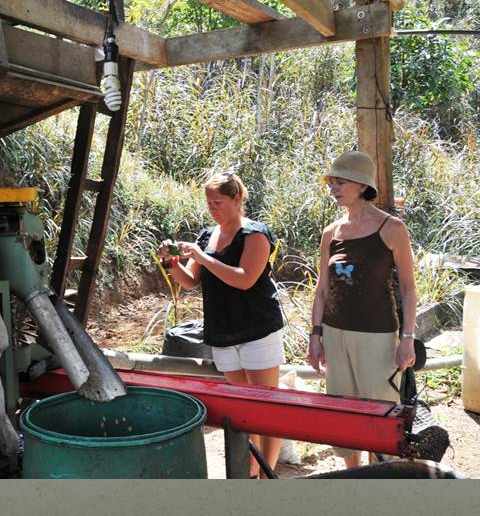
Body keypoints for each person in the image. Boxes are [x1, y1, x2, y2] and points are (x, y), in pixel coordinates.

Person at [159, 172, 285, 478]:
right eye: (209, 203)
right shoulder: (206, 236)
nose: (213, 209)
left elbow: (245, 279)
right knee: (245, 409)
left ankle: (268, 476)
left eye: (218, 203)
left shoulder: (254, 234)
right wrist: (170, 262)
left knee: (267, 407)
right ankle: (251, 472)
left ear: (236, 199)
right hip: (223, 332)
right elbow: (190, 281)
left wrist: (203, 257)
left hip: (257, 329)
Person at [306, 150, 417, 468]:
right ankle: (352, 479)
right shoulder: (331, 232)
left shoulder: (392, 228)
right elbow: (322, 290)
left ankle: (380, 479)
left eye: (340, 182)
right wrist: (316, 336)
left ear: (362, 185)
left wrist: (407, 338)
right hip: (335, 334)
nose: (333, 188)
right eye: (331, 183)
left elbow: (409, 288)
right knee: (343, 414)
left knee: (380, 415)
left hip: (377, 337)